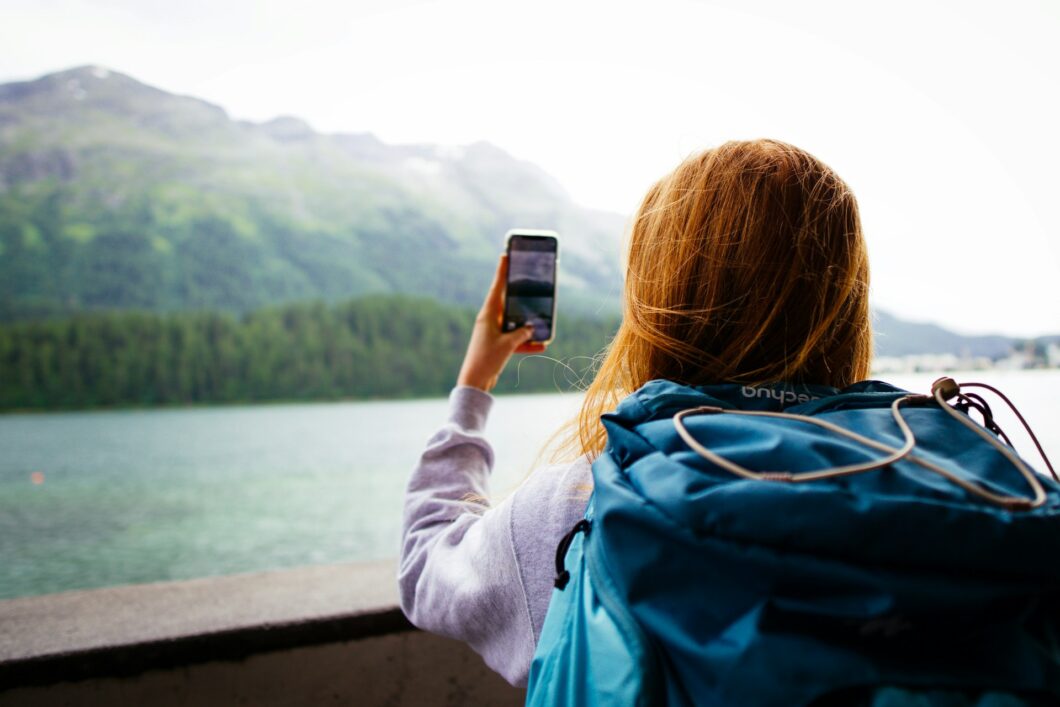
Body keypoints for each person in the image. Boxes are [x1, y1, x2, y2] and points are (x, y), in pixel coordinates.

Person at [398, 138, 873, 687]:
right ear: (846, 299)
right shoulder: (942, 475)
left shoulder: (584, 506)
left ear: (659, 301)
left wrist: (474, 383)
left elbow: (425, 562)